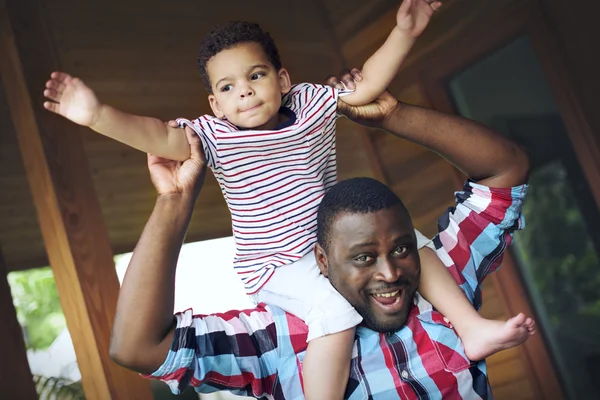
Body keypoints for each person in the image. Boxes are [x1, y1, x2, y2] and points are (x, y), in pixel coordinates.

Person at [42, 2, 531, 397]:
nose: (245, 93)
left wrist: (405, 32)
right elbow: (158, 137)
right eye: (228, 87)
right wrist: (97, 115)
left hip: (328, 249)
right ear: (214, 103)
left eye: (256, 76)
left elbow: (369, 87)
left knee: (418, 246)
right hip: (276, 264)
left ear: (282, 79)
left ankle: (471, 328)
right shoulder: (215, 135)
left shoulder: (313, 105)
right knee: (334, 315)